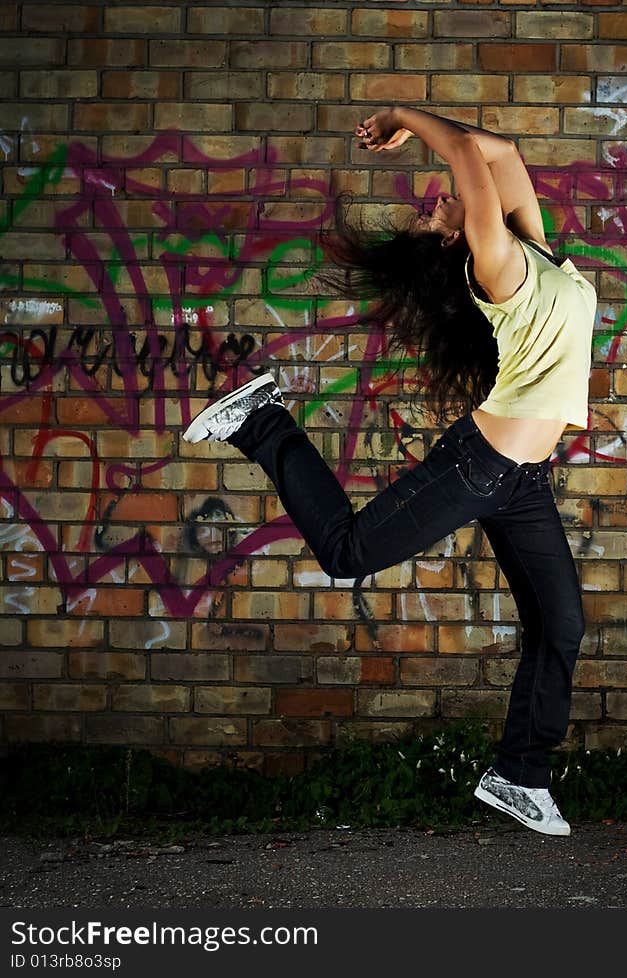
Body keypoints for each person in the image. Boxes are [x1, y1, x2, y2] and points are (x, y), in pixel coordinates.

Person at [183, 106, 597, 836]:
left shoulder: (536, 250)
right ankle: (260, 422)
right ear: (456, 238)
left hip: (522, 482)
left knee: (560, 621)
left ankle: (519, 776)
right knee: (345, 552)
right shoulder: (495, 265)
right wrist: (404, 112)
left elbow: (498, 151)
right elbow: (469, 150)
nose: (438, 195)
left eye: (442, 193)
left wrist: (426, 130)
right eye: (439, 208)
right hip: (480, 466)